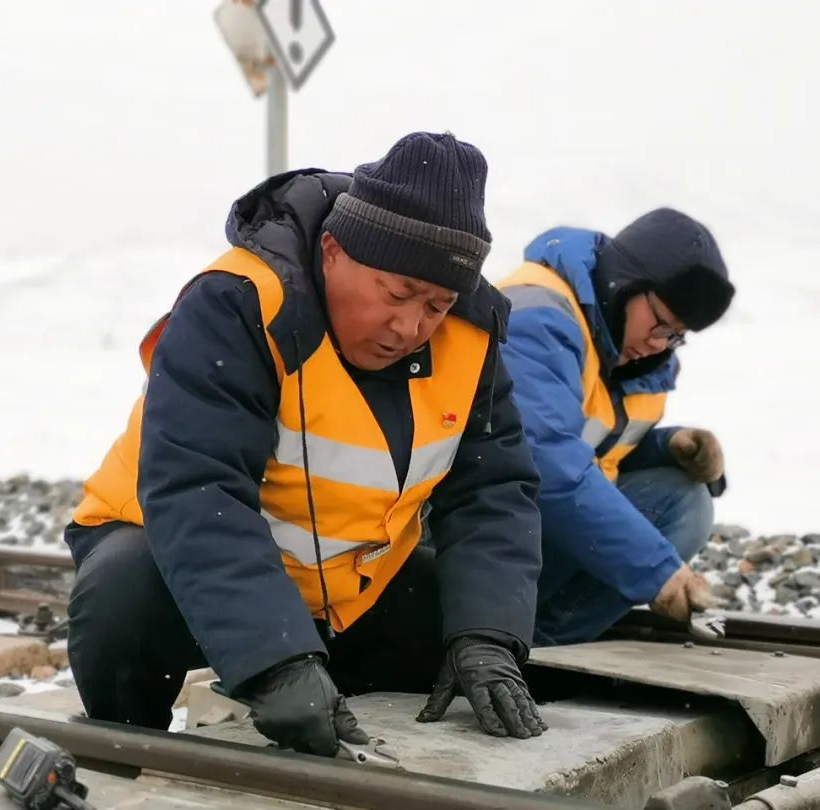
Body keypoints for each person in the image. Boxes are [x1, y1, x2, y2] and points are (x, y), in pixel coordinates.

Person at [63, 131, 546, 757]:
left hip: (339, 587)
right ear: (332, 250)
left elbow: (495, 491)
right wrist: (275, 660)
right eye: (395, 294)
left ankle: (353, 743)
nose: (410, 327)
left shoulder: (470, 337)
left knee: (463, 633)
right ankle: (126, 758)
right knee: (120, 592)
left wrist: (487, 635)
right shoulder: (237, 304)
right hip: (174, 555)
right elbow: (199, 492)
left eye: (437, 304)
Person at [496, 210, 736, 646]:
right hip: (462, 540)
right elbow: (542, 459)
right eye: (660, 323)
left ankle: (535, 644)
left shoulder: (617, 344)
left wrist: (667, 447)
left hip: (521, 532)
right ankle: (515, 648)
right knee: (681, 504)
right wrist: (657, 571)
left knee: (680, 490)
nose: (658, 344)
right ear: (625, 282)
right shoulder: (537, 320)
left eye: (675, 336)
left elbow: (590, 448)